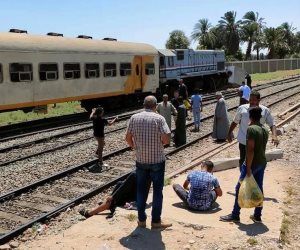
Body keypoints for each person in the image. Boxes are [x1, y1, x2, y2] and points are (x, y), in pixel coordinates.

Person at [125, 95, 172, 229]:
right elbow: (167, 139)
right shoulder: (159, 118)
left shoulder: (134, 118)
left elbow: (128, 138)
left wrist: (135, 147)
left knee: (141, 191)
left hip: (141, 161)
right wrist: (161, 142)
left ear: (144, 105)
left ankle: (141, 220)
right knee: (157, 191)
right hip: (157, 160)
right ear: (155, 105)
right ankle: (156, 221)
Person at [220, 107, 269, 223]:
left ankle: (235, 214)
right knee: (259, 188)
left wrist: (247, 168)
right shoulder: (265, 129)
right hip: (262, 162)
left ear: (250, 117)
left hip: (252, 164)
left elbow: (250, 150)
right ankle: (257, 216)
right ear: (260, 117)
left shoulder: (251, 129)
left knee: (238, 188)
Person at [227, 90, 279, 169]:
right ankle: (244, 178)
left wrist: (274, 136)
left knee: (257, 163)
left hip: (258, 143)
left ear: (259, 100)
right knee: (243, 163)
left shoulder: (265, 110)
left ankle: (253, 178)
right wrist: (229, 133)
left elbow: (272, 124)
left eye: (254, 100)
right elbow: (235, 122)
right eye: (250, 100)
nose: (251, 102)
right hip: (244, 141)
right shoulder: (242, 108)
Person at [79, 172, 150, 218]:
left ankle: (89, 213)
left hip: (134, 201)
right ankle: (110, 205)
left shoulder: (135, 174)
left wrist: (112, 197)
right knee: (120, 183)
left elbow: (124, 187)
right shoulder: (149, 171)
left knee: (118, 190)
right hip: (141, 198)